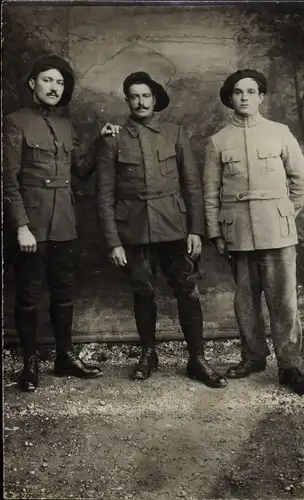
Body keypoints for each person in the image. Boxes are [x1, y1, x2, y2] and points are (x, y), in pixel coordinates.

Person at [96, 71, 227, 388]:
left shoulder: (175, 133)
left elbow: (192, 186)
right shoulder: (113, 138)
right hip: (134, 231)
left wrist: (195, 230)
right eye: (133, 96)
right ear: (127, 100)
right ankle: (148, 354)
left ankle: (197, 359)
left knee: (188, 290)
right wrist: (114, 242)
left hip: (175, 227)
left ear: (154, 100)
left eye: (145, 96)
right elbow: (104, 195)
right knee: (143, 291)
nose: (140, 102)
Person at [3, 54, 120, 392]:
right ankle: (29, 363)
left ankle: (64, 357)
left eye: (59, 82)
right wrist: (21, 226)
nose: (54, 87)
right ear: (32, 83)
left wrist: (100, 140)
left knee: (64, 294)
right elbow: (8, 180)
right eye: (47, 80)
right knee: (28, 295)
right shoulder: (14, 123)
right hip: (32, 224)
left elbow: (80, 171)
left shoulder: (67, 126)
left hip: (64, 225)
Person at [203, 69, 304, 397]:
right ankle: (253, 357)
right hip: (238, 233)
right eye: (238, 92)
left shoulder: (280, 133)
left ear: (261, 97)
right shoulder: (218, 141)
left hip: (278, 231)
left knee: (283, 301)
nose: (245, 97)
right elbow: (210, 193)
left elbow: (302, 180)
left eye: (251, 91)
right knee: (245, 302)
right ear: (230, 98)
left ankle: (289, 366)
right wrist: (215, 233)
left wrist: (283, 211)